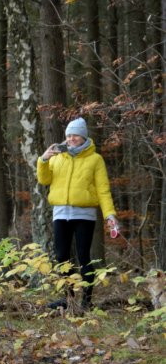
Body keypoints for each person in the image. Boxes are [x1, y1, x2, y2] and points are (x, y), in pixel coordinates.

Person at [37, 117, 119, 311]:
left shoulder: (95, 159)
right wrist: (44, 159)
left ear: (83, 137)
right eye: (68, 135)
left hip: (85, 214)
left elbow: (103, 190)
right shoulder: (57, 157)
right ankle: (69, 298)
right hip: (60, 213)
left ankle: (86, 301)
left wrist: (110, 215)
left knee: (83, 256)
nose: (71, 139)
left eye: (75, 135)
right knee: (61, 257)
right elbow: (44, 180)